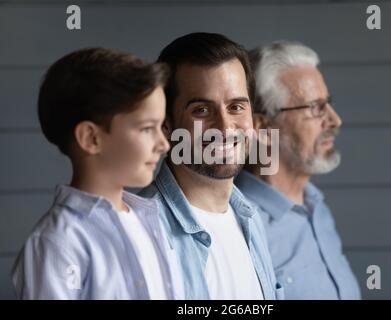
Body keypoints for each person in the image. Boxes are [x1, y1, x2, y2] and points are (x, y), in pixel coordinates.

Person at [11, 47, 183, 300]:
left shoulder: (151, 220)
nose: (164, 144)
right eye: (147, 128)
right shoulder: (57, 243)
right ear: (91, 138)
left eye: (161, 127)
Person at [140, 33, 283, 300]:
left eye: (236, 107)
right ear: (166, 124)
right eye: (201, 111)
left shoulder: (251, 219)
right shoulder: (142, 232)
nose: (226, 127)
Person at [235, 41, 361, 299]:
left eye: (329, 103)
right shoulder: (238, 228)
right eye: (315, 107)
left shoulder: (317, 208)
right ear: (262, 127)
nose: (335, 120)